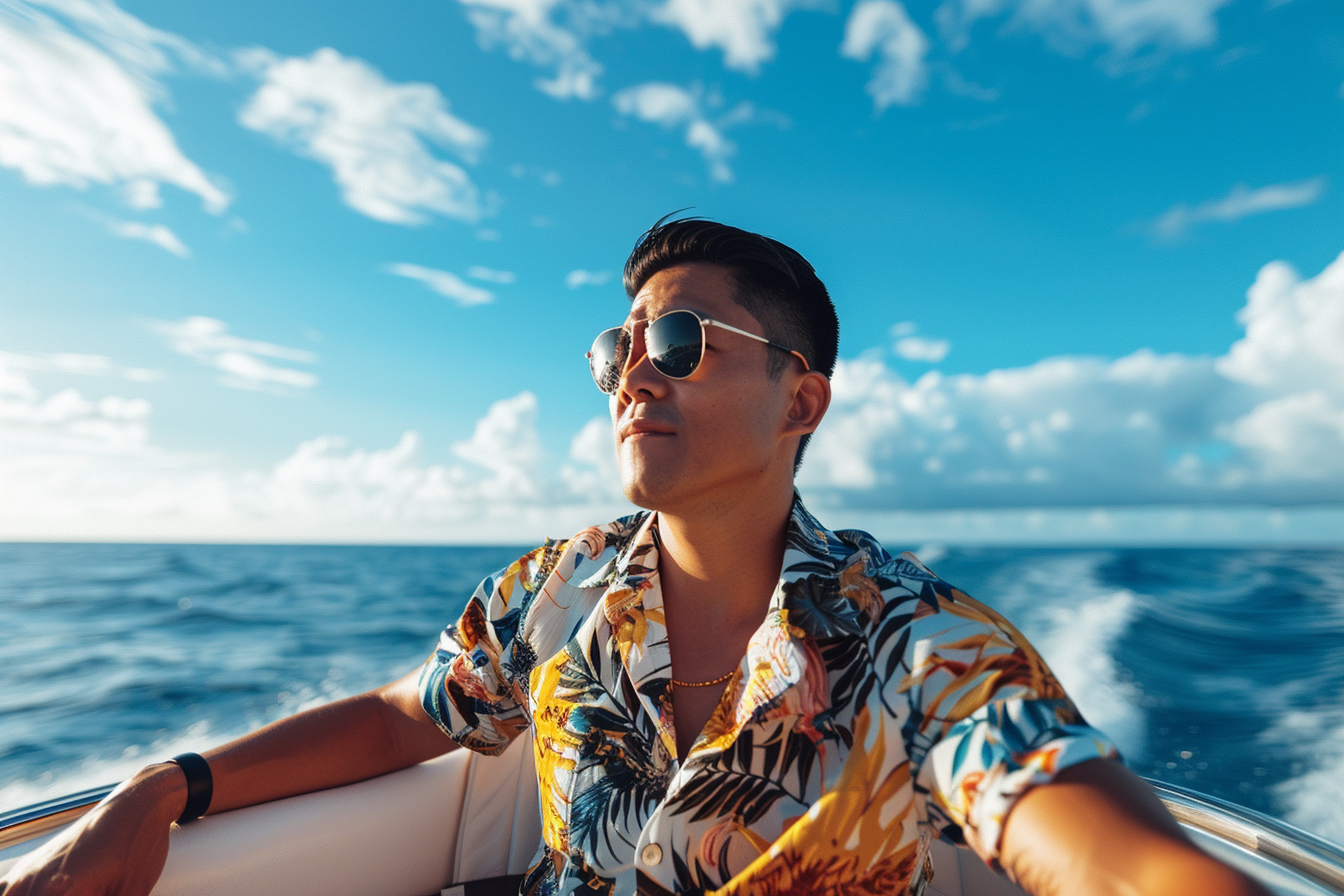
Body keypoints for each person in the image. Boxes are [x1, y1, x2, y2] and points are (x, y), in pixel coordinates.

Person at [1, 218, 1270, 896]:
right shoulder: (555, 589)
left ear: (801, 399)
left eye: (679, 340)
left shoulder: (920, 641)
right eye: (618, 350)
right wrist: (158, 789)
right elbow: (405, 715)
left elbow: (1072, 820)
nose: (630, 378)